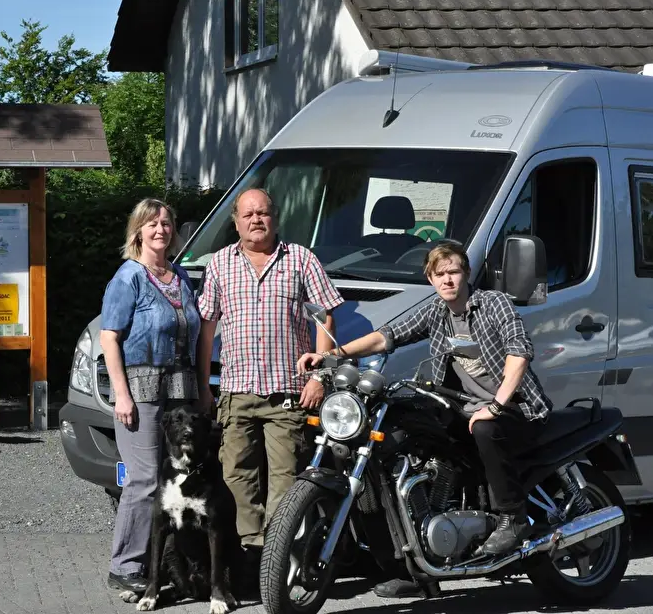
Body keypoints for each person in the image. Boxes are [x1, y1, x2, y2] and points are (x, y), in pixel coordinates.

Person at [297, 240, 553, 598]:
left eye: (453, 272)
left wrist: (496, 405)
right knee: (408, 435)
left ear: (466, 274)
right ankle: (417, 564)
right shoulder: (436, 311)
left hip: (514, 408)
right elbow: (386, 337)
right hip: (462, 407)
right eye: (439, 274)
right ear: (430, 279)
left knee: (484, 428)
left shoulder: (493, 303)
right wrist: (334, 355)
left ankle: (513, 518)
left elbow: (518, 352)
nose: (447, 280)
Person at [196, 187, 345, 573]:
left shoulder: (301, 259)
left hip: (289, 393)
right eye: (248, 215)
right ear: (236, 222)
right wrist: (203, 386)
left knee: (286, 480)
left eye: (262, 213)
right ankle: (249, 554)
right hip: (237, 391)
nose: (256, 220)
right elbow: (206, 327)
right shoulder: (220, 264)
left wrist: (319, 376)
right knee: (235, 475)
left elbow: (325, 317)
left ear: (275, 218)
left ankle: (278, 560)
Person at [101, 198, 213, 594]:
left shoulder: (179, 276)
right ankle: (125, 565)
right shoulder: (128, 277)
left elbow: (197, 334)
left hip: (180, 391)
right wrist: (122, 395)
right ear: (138, 231)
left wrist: (202, 388)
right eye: (152, 224)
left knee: (175, 479)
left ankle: (163, 564)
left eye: (166, 223)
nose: (161, 229)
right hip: (142, 391)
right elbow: (109, 338)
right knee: (145, 479)